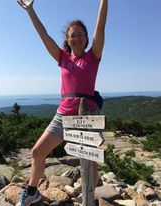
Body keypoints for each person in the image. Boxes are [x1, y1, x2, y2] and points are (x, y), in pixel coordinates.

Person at [16, 0, 108, 205]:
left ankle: (89, 198)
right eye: (72, 34)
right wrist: (30, 10)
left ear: (86, 39)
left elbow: (100, 26)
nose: (76, 37)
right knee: (37, 152)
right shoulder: (63, 58)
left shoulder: (93, 57)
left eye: (80, 34)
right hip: (62, 116)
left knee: (91, 161)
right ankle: (32, 192)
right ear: (67, 39)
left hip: (87, 117)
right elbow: (44, 36)